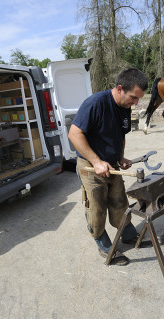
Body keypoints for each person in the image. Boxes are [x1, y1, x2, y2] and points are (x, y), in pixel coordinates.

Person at [68, 68, 151, 266]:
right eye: (133, 97)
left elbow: (120, 134)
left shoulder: (125, 106)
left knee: (120, 202)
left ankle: (127, 233)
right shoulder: (95, 103)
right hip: (91, 167)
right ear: (120, 88)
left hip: (111, 165)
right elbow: (74, 134)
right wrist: (96, 162)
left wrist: (120, 157)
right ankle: (103, 243)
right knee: (97, 208)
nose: (136, 103)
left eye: (138, 99)